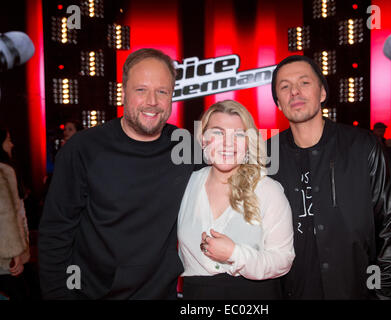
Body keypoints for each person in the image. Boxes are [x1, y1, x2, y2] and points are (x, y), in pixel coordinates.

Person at [39, 48, 194, 299]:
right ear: (123, 93)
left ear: (172, 96)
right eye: (141, 90)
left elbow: (236, 171)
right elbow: (56, 233)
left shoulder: (187, 147)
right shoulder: (83, 149)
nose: (152, 101)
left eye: (162, 91)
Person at [268, 55, 391, 299]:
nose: (295, 92)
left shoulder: (363, 146)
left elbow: (388, 227)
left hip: (355, 290)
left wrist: (386, 294)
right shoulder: (265, 157)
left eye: (304, 82)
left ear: (322, 93)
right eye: (284, 86)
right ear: (278, 102)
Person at [178, 100, 295, 300]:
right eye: (217, 132)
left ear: (249, 142)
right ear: (203, 139)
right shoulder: (185, 185)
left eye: (239, 135)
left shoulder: (268, 190)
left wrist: (235, 254)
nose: (227, 143)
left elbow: (283, 260)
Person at [0, 128, 30, 300]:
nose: (11, 145)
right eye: (8, 140)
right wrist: (15, 252)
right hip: (5, 256)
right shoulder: (4, 171)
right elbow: (5, 215)